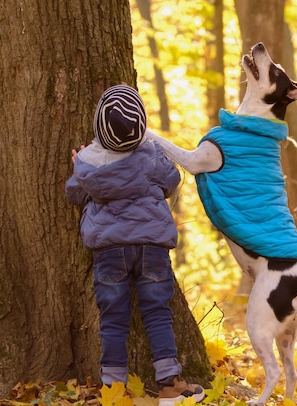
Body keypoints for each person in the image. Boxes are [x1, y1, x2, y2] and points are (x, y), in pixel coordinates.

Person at [65, 85, 205, 405]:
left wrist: (79, 168)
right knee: (157, 312)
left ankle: (114, 388)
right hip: (151, 245)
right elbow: (171, 181)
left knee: (113, 318)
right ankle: (170, 382)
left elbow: (74, 193)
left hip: (109, 248)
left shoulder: (87, 163)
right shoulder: (151, 152)